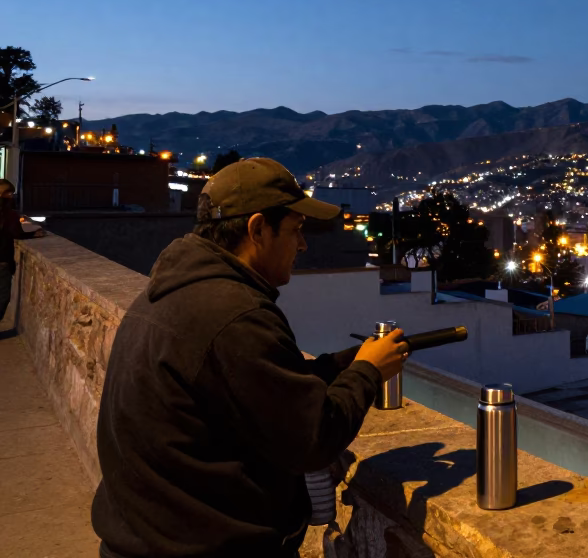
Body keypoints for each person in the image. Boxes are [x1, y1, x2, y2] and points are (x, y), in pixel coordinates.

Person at [92, 158, 410, 558]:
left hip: (148, 539)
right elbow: (313, 439)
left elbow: (245, 385)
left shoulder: (175, 292)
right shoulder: (236, 315)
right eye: (295, 230)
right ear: (257, 229)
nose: (302, 245)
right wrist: (368, 371)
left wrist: (334, 366)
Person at [0, 178, 46, 325]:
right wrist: (34, 234)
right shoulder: (10, 214)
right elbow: (16, 233)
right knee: (3, 297)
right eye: (9, 193)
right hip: (2, 261)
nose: (12, 196)